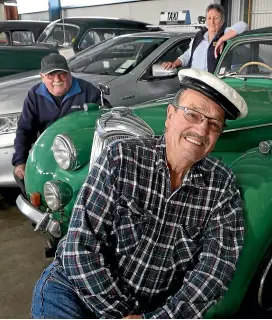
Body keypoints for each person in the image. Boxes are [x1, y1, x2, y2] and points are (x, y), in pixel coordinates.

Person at [31, 68, 247, 319]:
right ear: (169, 115)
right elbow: (80, 247)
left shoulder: (221, 186)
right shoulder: (120, 157)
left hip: (150, 312)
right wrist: (124, 314)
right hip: (73, 290)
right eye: (192, 114)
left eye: (213, 124)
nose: (201, 130)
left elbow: (214, 271)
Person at [12, 53, 107, 195]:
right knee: (25, 178)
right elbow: (24, 130)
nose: (57, 79)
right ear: (42, 77)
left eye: (61, 74)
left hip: (81, 153)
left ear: (69, 73)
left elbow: (106, 121)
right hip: (47, 152)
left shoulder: (88, 91)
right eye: (51, 75)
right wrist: (20, 161)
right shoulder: (34, 95)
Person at [162, 3, 247, 73]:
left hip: (213, 86)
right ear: (206, 20)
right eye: (209, 18)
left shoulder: (225, 33)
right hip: (195, 83)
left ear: (222, 22)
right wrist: (174, 64)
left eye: (216, 18)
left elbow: (243, 25)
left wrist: (221, 39)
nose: (212, 22)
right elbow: (187, 55)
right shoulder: (198, 37)